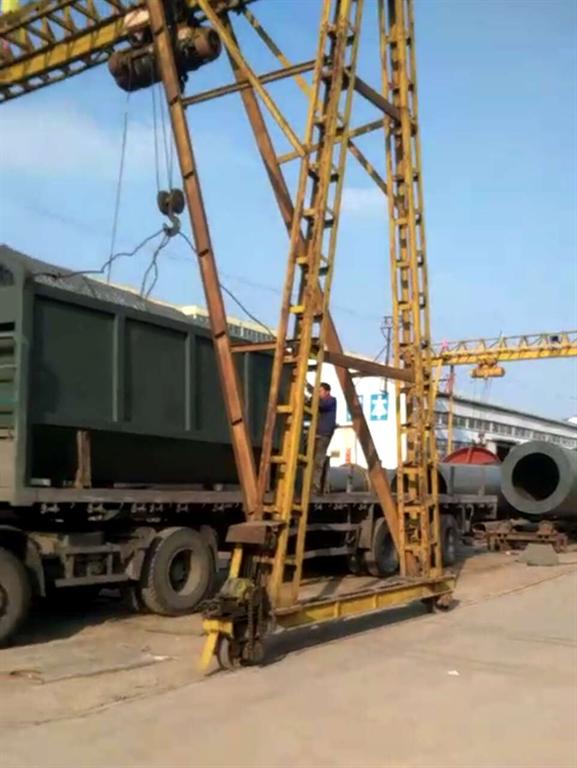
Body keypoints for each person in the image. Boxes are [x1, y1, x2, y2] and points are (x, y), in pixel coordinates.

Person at [312, 382, 337, 494]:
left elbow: (322, 405)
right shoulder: (322, 402)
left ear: (327, 392)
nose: (318, 394)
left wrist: (313, 396)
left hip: (324, 434)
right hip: (316, 433)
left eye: (320, 391)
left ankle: (316, 486)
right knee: (313, 459)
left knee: (318, 460)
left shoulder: (331, 401)